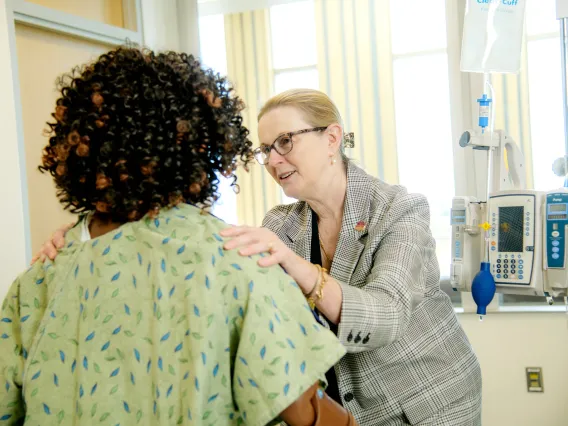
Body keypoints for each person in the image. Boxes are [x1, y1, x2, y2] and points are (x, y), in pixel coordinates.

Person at [0, 48, 359, 426]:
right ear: (199, 144)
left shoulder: (37, 282)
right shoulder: (240, 262)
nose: (272, 159)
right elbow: (308, 411)